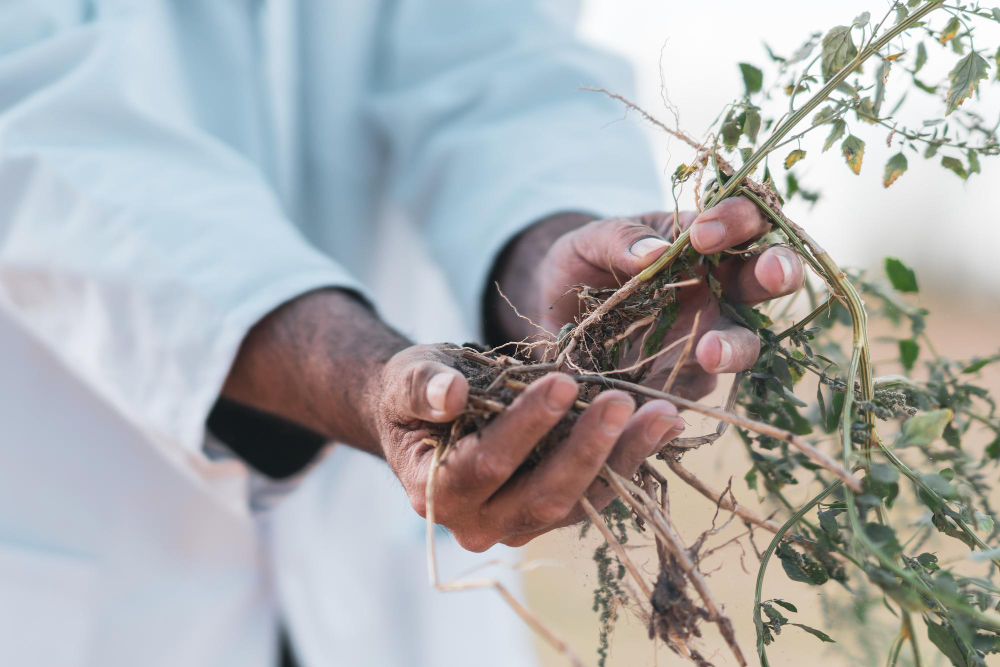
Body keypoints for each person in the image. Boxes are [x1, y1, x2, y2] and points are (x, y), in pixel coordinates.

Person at [0, 2, 803, 666]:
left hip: (397, 606)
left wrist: (567, 262)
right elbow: (37, 128)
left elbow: (495, 61)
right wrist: (363, 377)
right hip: (91, 567)